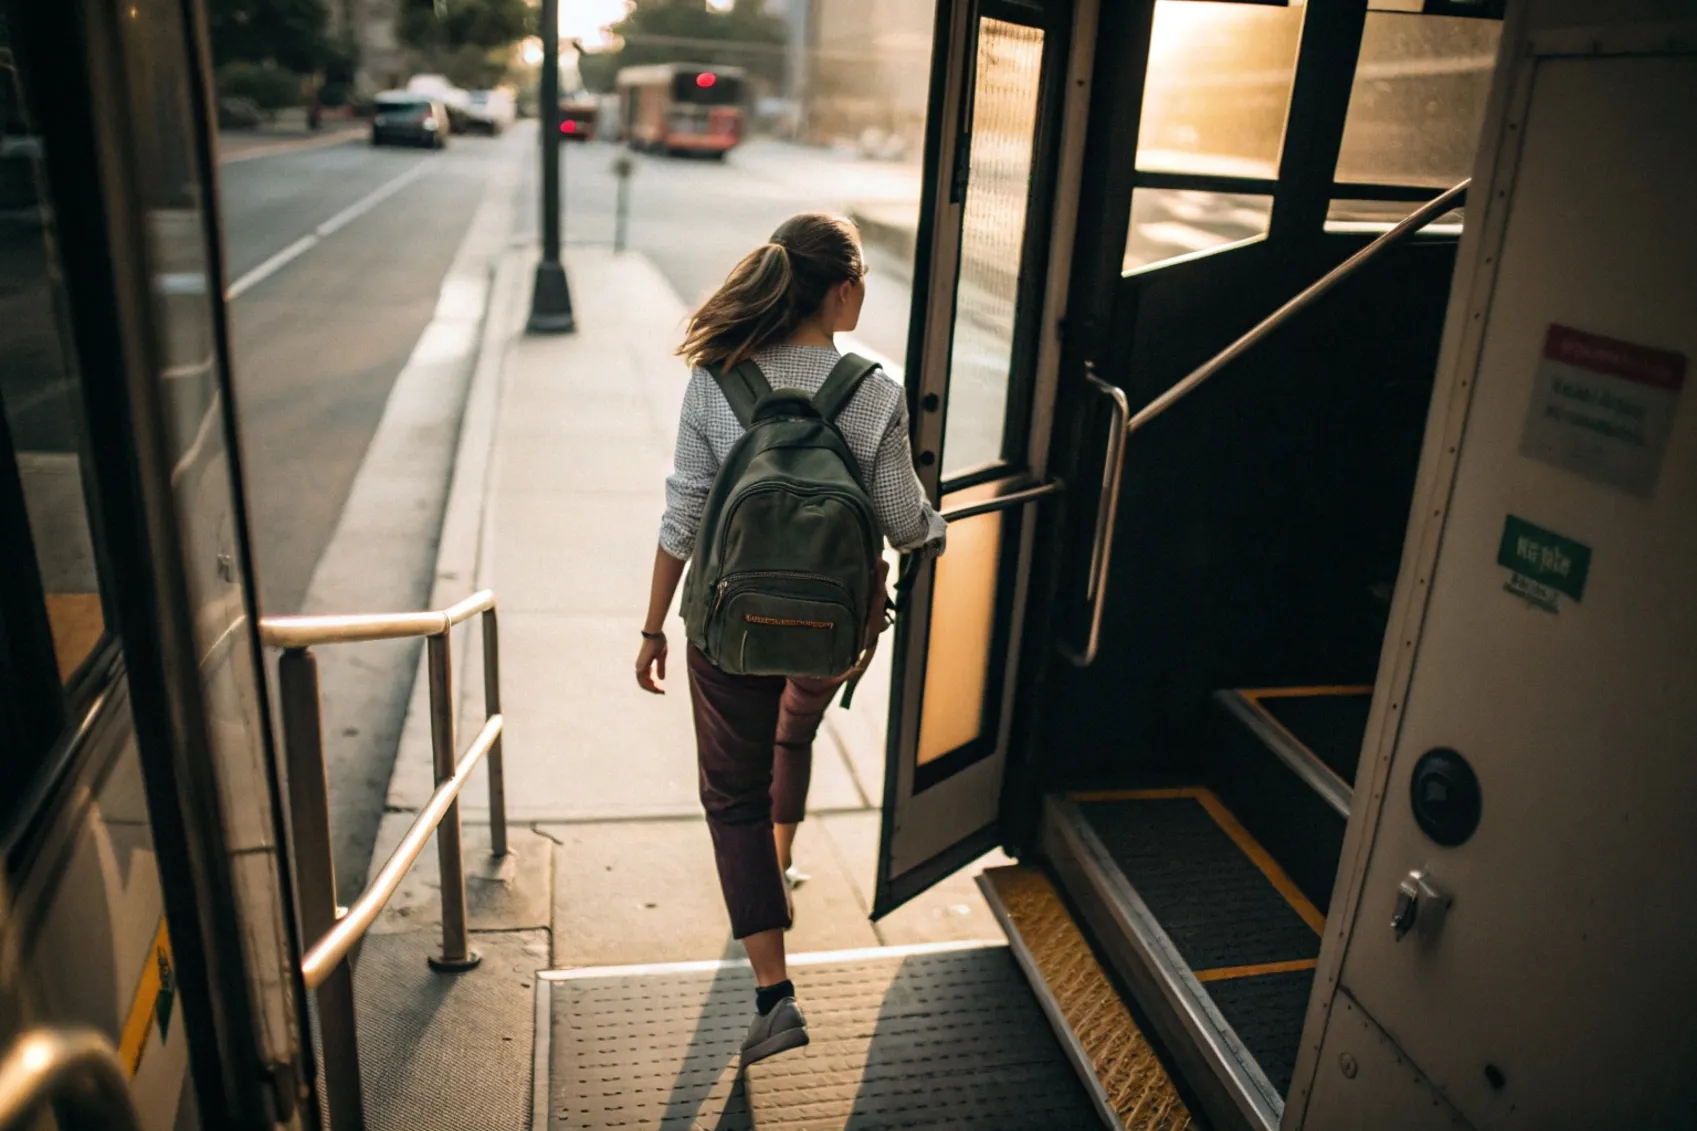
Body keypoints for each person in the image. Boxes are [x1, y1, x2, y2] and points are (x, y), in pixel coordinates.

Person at [635, 213, 944, 1066]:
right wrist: (937, 528)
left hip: (728, 634)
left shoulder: (715, 376)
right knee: (793, 731)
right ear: (840, 288)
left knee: (729, 794)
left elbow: (684, 512)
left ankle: (773, 993)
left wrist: (653, 624)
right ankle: (784, 859)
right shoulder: (873, 387)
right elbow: (900, 520)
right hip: (828, 635)